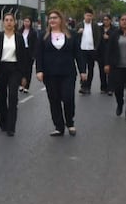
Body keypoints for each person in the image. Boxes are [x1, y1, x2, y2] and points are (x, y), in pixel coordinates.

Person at [35, 9, 87, 137]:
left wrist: (82, 70)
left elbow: (78, 54)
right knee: (54, 100)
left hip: (68, 73)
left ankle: (70, 122)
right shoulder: (43, 35)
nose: (52, 20)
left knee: (68, 98)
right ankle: (59, 126)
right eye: (50, 18)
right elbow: (39, 55)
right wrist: (39, 70)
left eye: (55, 18)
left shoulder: (71, 34)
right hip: (50, 73)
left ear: (61, 20)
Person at [0, 13, 31, 136]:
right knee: (2, 97)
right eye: (6, 20)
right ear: (3, 22)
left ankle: (11, 126)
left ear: (15, 22)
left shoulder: (18, 37)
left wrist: (24, 76)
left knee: (13, 96)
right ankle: (3, 122)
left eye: (11, 20)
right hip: (1, 69)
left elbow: (23, 58)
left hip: (14, 69)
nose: (9, 22)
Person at [77, 7, 101, 95]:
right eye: (87, 15)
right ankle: (83, 85)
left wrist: (96, 47)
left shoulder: (95, 26)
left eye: (90, 16)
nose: (88, 17)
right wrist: (78, 32)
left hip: (91, 50)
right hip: (82, 49)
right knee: (83, 69)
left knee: (90, 69)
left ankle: (88, 87)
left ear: (92, 17)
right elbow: (74, 36)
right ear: (84, 16)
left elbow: (98, 37)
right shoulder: (79, 25)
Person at [18, 17, 37, 93]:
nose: (26, 23)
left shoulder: (33, 32)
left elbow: (35, 44)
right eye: (25, 21)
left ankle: (26, 86)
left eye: (28, 21)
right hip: (21, 51)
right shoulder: (19, 31)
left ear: (30, 22)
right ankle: (21, 84)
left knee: (28, 70)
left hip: (29, 52)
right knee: (20, 69)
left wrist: (34, 54)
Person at [97, 14, 115, 95]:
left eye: (107, 20)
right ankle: (103, 87)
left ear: (110, 20)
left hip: (111, 52)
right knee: (102, 71)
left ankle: (110, 88)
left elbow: (116, 38)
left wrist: (109, 37)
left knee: (111, 71)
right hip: (101, 52)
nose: (105, 21)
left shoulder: (114, 29)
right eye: (104, 20)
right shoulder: (99, 29)